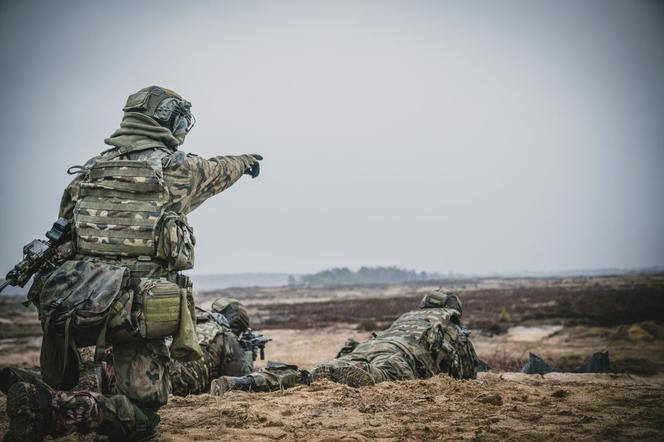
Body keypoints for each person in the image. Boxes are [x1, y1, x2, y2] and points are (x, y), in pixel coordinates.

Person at [4, 86, 262, 442]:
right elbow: (219, 170)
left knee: (88, 375)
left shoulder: (88, 172)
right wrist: (247, 161)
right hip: (137, 313)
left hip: (82, 305)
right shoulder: (175, 171)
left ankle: (34, 388)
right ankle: (54, 412)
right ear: (169, 121)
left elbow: (64, 234)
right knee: (143, 417)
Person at [210, 290, 478, 394]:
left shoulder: (408, 317)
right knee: (381, 375)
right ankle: (362, 374)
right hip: (403, 357)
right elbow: (467, 374)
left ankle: (243, 384)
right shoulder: (449, 326)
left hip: (369, 347)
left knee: (306, 376)